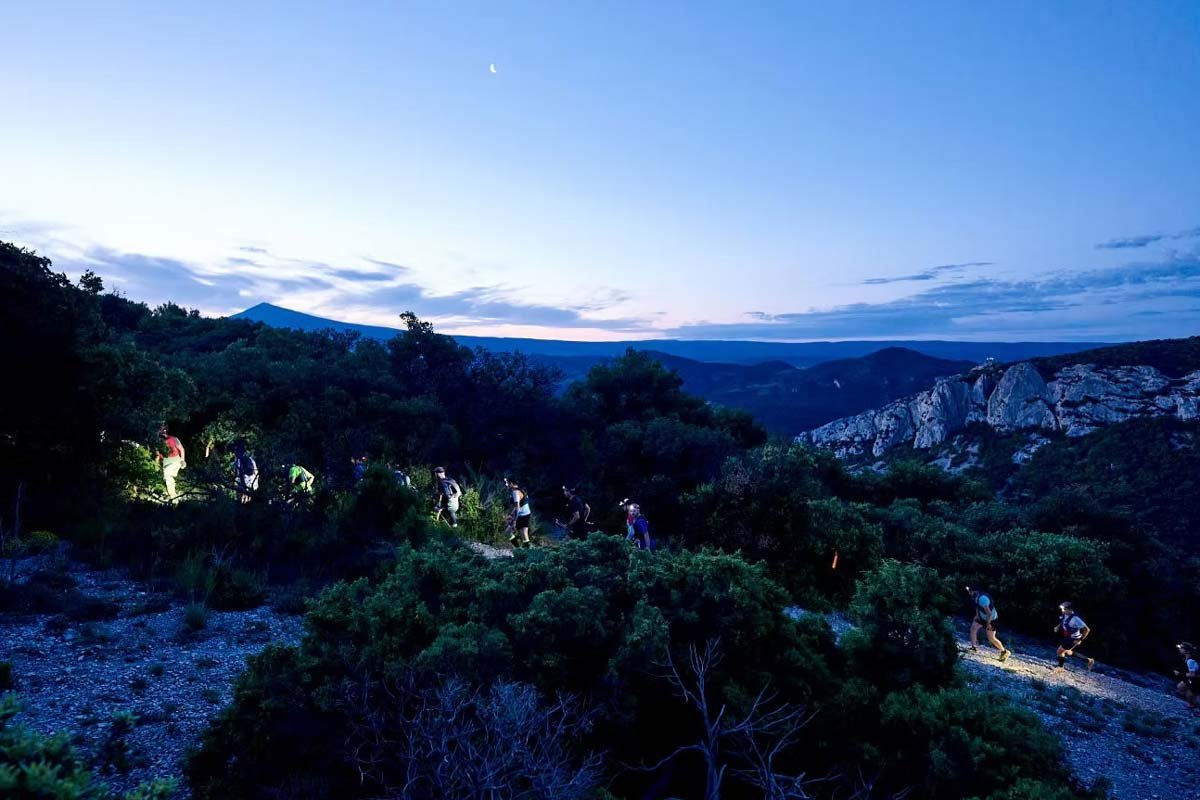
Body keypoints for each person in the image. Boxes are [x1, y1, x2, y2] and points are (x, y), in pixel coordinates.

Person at [967, 587, 1011, 662]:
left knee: (991, 638)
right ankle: (973, 648)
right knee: (973, 628)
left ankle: (1004, 652)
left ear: (974, 590)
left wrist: (988, 624)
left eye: (969, 591)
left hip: (991, 619)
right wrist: (977, 616)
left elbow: (989, 613)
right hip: (982, 617)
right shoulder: (976, 596)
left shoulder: (982, 599)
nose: (968, 593)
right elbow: (977, 606)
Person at [1053, 601, 1094, 671]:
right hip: (1068, 637)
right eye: (1062, 608)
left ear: (1070, 609)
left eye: (1064, 609)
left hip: (1073, 639)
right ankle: (1089, 660)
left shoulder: (1076, 619)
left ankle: (1060, 667)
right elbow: (1063, 620)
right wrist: (1058, 626)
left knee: (1059, 651)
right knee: (1068, 652)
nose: (1062, 610)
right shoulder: (1065, 613)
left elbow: (1087, 629)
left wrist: (1080, 640)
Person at [156, 425, 186, 503]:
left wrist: (183, 461)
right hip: (169, 461)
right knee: (169, 478)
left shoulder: (173, 439)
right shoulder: (159, 442)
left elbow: (182, 449)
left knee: (168, 477)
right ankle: (174, 495)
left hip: (175, 460)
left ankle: (174, 498)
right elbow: (158, 455)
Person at [505, 477, 533, 547]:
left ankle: (519, 550)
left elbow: (517, 507)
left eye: (507, 483)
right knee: (524, 536)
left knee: (508, 532)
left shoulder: (515, 492)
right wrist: (511, 514)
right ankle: (525, 552)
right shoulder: (520, 490)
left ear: (511, 483)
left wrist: (514, 520)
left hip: (522, 515)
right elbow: (519, 505)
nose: (506, 484)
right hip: (525, 514)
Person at [1174, 642, 1199, 712]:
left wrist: (1180, 674)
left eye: (1181, 648)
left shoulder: (1190, 661)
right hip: (1192, 680)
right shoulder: (1187, 659)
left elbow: (1193, 674)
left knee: (1189, 696)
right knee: (1180, 687)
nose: (1179, 649)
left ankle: (1195, 706)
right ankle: (1192, 702)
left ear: (1187, 651)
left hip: (1196, 681)